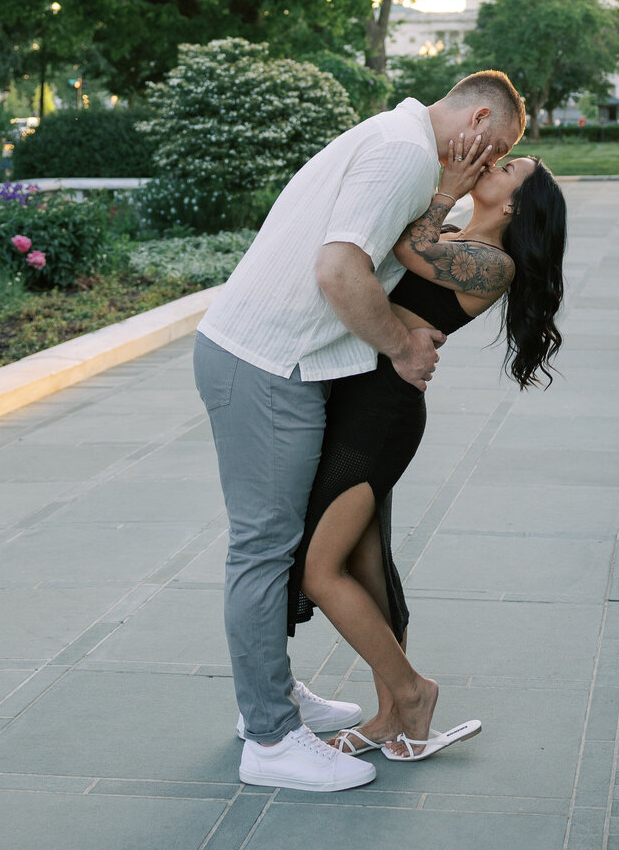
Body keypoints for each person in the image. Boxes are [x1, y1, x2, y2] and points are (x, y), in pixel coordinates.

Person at [192, 70, 525, 793]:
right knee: (277, 549)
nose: (486, 166)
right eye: (492, 147)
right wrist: (405, 340)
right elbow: (347, 270)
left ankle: (285, 709)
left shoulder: (407, 154)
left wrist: (407, 326)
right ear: (472, 119)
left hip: (338, 388)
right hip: (279, 364)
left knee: (312, 553)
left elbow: (394, 258)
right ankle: (276, 733)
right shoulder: (405, 152)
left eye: (501, 163)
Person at [286, 140, 567, 763]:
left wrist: (446, 187)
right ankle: (391, 718)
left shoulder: (493, 263)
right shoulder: (470, 240)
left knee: (319, 568)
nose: (495, 166)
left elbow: (400, 245)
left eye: (509, 169)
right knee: (364, 566)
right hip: (360, 402)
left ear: (518, 208)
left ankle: (413, 694)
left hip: (380, 418)